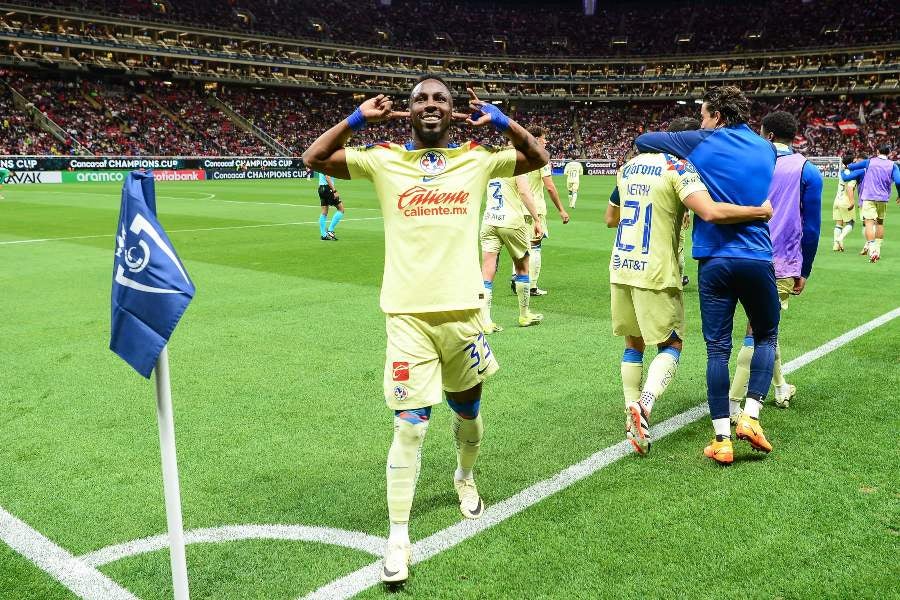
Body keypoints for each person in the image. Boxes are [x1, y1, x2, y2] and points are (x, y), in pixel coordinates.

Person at [302, 76, 548, 585]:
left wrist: (504, 122)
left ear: (455, 111)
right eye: (420, 99)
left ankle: (464, 475)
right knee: (410, 423)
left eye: (440, 99)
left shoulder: (477, 158)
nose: (430, 105)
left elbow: (537, 158)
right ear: (407, 111)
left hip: (464, 314)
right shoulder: (382, 157)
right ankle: (397, 537)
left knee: (469, 412)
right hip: (407, 315)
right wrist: (357, 120)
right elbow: (315, 157)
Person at [606, 116, 772, 455]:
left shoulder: (628, 168)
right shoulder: (678, 168)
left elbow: (611, 218)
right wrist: (758, 211)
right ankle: (645, 405)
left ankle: (629, 407)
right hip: (655, 269)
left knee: (633, 342)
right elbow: (709, 212)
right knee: (672, 344)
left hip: (621, 265)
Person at [728, 112, 822, 416]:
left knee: (765, 327)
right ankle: (732, 404)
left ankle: (780, 387)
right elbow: (811, 229)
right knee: (758, 331)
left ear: (767, 135)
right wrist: (803, 270)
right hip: (780, 262)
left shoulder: (747, 162)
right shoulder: (808, 171)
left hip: (738, 254)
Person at [481, 169, 545, 331]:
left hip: (489, 221)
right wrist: (537, 219)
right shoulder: (517, 167)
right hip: (511, 222)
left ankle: (485, 321)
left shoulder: (492, 168)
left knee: (487, 271)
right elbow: (524, 192)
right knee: (522, 267)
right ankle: (524, 314)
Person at [514, 126, 569, 296]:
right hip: (534, 208)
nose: (546, 141)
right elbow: (550, 187)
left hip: (516, 206)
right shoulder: (540, 157)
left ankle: (516, 278)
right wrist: (561, 209)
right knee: (535, 246)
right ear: (536, 139)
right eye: (544, 138)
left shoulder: (517, 154)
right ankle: (531, 286)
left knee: (520, 245)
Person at [844, 144, 900, 262]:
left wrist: (848, 165)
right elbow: (899, 181)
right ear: (889, 153)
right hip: (883, 198)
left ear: (877, 151)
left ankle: (872, 249)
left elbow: (852, 167)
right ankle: (878, 250)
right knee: (880, 223)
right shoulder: (893, 165)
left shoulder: (869, 162)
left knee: (869, 223)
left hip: (868, 197)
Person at [832, 154, 863, 252]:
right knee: (851, 223)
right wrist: (852, 201)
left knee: (839, 223)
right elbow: (849, 188)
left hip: (837, 200)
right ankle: (840, 238)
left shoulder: (842, 172)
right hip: (845, 201)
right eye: (854, 161)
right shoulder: (851, 174)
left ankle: (836, 246)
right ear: (851, 162)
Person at [316, 170, 344, 240]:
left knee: (324, 212)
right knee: (341, 209)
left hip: (321, 188)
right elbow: (327, 177)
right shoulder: (326, 164)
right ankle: (330, 230)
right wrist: (334, 190)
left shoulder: (320, 163)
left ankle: (323, 235)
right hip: (327, 188)